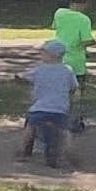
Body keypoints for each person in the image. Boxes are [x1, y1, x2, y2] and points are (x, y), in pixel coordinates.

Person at [17, 39, 76, 167]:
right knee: (65, 130)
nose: (41, 54)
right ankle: (66, 154)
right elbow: (73, 87)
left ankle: (23, 152)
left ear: (51, 55)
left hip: (39, 107)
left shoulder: (39, 70)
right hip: (60, 108)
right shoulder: (67, 70)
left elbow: (23, 76)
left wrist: (19, 77)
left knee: (30, 126)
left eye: (43, 52)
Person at [51, 0, 96, 131]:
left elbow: (56, 28)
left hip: (58, 59)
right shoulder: (84, 19)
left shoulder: (59, 13)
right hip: (76, 62)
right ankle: (73, 122)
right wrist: (93, 41)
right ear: (86, 3)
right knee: (76, 94)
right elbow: (85, 40)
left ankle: (56, 118)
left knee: (59, 91)